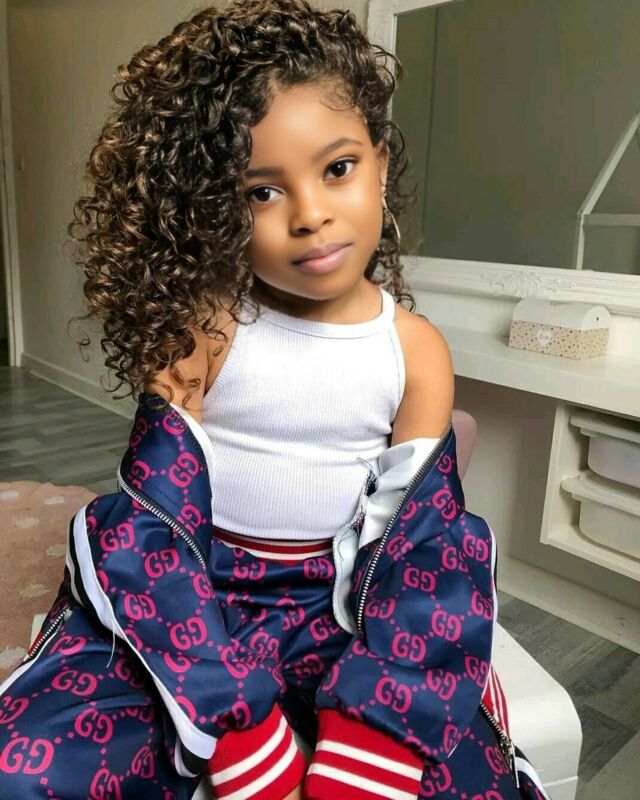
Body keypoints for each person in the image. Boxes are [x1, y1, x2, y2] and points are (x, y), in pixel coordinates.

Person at [0, 1, 550, 798]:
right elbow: (153, 517)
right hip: (203, 603)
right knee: (31, 764)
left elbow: (421, 537)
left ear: (379, 163)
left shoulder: (415, 349)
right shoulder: (205, 330)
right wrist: (244, 741)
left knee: (460, 769)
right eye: (262, 191)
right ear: (214, 209)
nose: (311, 213)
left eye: (338, 169)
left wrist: (367, 746)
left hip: (342, 608)